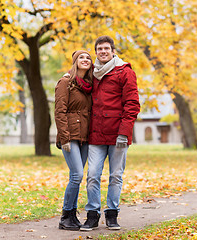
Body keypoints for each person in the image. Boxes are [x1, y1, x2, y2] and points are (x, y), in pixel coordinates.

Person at [80, 36, 140, 231]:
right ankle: (92, 215)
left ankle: (112, 215)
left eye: (106, 48)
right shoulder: (92, 73)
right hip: (96, 135)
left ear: (113, 51)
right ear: (96, 52)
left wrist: (124, 133)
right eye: (99, 49)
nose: (103, 51)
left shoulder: (125, 72)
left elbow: (132, 104)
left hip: (118, 136)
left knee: (115, 176)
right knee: (92, 175)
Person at [54, 50, 93, 230]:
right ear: (75, 62)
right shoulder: (65, 82)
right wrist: (64, 138)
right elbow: (59, 112)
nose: (85, 60)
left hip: (84, 136)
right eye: (81, 58)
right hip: (69, 136)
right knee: (77, 174)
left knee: (76, 176)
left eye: (88, 58)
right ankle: (65, 216)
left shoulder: (89, 85)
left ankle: (71, 216)